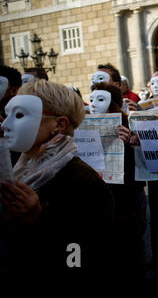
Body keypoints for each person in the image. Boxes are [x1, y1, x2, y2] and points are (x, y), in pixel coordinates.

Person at [0, 79, 114, 277]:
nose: (5, 125)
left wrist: (39, 218)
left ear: (59, 125)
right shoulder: (19, 169)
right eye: (5, 114)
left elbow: (83, 258)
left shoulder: (82, 182)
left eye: (19, 115)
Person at [90, 82, 148, 277]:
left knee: (129, 250)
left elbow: (138, 170)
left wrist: (130, 143)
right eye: (91, 100)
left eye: (100, 100)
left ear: (114, 104)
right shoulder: (82, 128)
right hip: (99, 199)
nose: (93, 105)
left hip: (125, 201)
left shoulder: (128, 127)